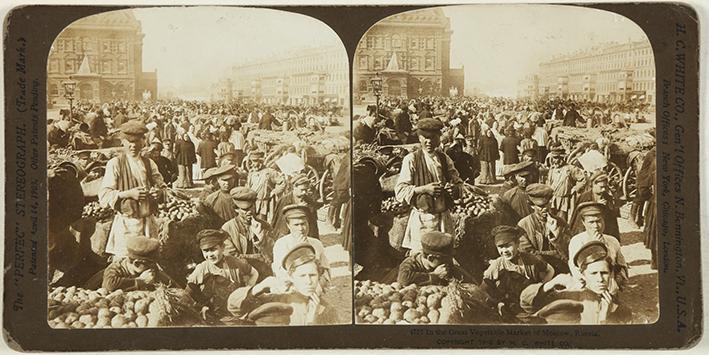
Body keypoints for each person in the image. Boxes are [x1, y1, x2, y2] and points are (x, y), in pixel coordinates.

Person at [519, 241, 632, 324]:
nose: (600, 278)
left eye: (604, 273)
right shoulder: (566, 296)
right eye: (593, 273)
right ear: (583, 275)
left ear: (611, 274)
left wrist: (605, 317)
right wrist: (551, 283)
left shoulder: (620, 309)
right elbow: (526, 303)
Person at [394, 117, 463, 253]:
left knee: (443, 257)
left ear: (439, 139)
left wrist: (453, 188)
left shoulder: (444, 158)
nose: (429, 142)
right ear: (419, 138)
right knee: (424, 257)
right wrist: (425, 189)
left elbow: (459, 183)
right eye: (424, 138)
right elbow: (400, 190)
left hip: (443, 219)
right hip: (423, 220)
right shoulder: (411, 159)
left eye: (433, 138)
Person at [98, 120, 166, 258]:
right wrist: (129, 193)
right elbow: (104, 195)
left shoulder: (149, 163)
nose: (133, 145)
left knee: (148, 262)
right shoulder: (115, 164)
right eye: (129, 142)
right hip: (127, 224)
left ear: (143, 142)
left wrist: (158, 192)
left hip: (148, 223)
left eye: (136, 141)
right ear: (122, 142)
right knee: (128, 262)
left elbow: (162, 186)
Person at [227, 243, 338, 325]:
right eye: (302, 276)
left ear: (319, 276)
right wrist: (260, 287)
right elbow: (234, 307)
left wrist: (313, 321)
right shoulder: (276, 299)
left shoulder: (327, 310)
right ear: (291, 277)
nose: (308, 281)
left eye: (312, 275)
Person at [185, 229, 259, 323]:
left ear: (222, 247)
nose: (210, 255)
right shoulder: (202, 268)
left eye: (213, 249)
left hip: (239, 310)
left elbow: (254, 273)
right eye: (205, 251)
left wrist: (247, 290)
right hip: (217, 315)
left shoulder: (234, 262)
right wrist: (202, 306)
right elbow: (189, 291)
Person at [481, 225, 554, 318]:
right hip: (513, 312)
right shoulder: (497, 265)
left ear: (517, 243)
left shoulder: (530, 259)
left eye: (508, 246)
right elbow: (483, 288)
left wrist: (542, 287)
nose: (504, 251)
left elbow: (550, 270)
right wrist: (497, 302)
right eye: (500, 247)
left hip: (535, 306)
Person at [567, 202, 628, 293]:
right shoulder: (577, 241)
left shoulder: (612, 241)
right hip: (586, 290)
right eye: (591, 222)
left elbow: (622, 266)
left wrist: (616, 281)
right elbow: (576, 271)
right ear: (583, 223)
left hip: (610, 288)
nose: (596, 226)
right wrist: (595, 246)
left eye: (599, 221)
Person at [85, 236, 175, 292]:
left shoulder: (149, 268)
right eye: (151, 263)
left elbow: (168, 281)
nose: (154, 266)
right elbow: (109, 285)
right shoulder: (115, 269)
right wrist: (141, 281)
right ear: (136, 264)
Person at [517, 183, 571, 274]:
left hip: (561, 267)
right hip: (538, 270)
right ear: (532, 206)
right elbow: (527, 253)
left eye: (547, 204)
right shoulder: (523, 225)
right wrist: (554, 254)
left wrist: (556, 234)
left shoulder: (560, 222)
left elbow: (569, 248)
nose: (545, 209)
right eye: (541, 206)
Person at [271, 204, 330, 283]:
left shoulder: (316, 243)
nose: (301, 228)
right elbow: (280, 274)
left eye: (303, 224)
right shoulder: (281, 244)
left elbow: (326, 270)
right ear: (288, 226)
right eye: (296, 225)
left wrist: (320, 284)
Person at [396, 231, 472, 287]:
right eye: (444, 258)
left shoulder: (446, 262)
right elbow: (403, 280)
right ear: (430, 258)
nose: (448, 260)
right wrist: (435, 276)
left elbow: (466, 279)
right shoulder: (410, 264)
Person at [221, 187, 274, 262]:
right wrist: (256, 257)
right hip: (241, 269)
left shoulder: (265, 225)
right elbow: (231, 256)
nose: (250, 212)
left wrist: (261, 237)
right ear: (236, 209)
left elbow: (272, 252)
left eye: (252, 207)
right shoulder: (227, 228)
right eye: (245, 209)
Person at [272, 174, 322, 240]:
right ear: (294, 187)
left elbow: (313, 225)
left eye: (306, 190)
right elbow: (278, 222)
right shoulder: (284, 200)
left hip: (303, 236)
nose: (304, 192)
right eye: (302, 190)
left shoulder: (309, 201)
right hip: (286, 235)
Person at [573, 171, 620, 240]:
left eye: (605, 187)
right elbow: (578, 219)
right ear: (593, 185)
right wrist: (596, 205)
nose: (603, 189)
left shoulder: (607, 197)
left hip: (603, 231)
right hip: (587, 231)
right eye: (601, 187)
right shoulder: (584, 197)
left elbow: (612, 220)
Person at [546, 147, 586, 223]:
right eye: (553, 158)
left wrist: (575, 188)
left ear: (561, 158)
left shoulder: (570, 169)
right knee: (551, 221)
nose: (554, 161)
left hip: (564, 200)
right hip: (553, 199)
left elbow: (583, 179)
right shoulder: (552, 169)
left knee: (561, 221)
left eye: (556, 158)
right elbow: (548, 182)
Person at [246, 150, 284, 222]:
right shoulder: (251, 173)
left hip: (263, 204)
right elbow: (248, 186)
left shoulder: (269, 172)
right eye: (252, 161)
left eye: (256, 161)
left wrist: (275, 191)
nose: (254, 164)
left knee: (261, 224)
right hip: (252, 203)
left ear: (261, 161)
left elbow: (282, 182)